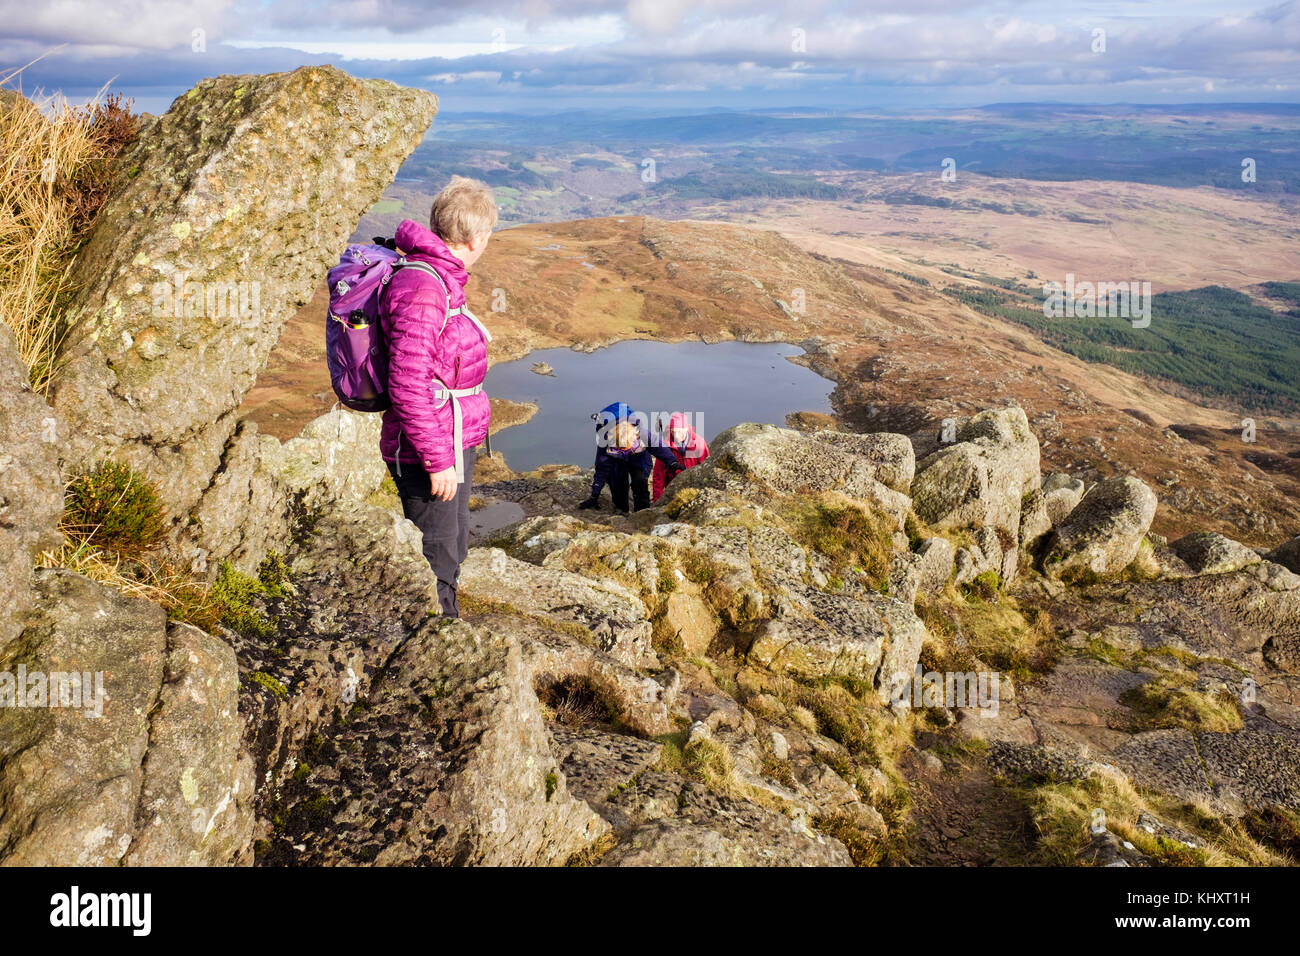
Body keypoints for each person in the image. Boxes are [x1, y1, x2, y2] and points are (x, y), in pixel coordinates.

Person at [379, 176, 497, 618]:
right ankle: (434, 638)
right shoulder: (424, 288)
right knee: (437, 553)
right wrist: (436, 459)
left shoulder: (441, 279)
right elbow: (408, 381)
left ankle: (446, 621)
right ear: (475, 237)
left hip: (450, 440)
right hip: (426, 451)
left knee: (455, 543)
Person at [578, 402, 681, 513]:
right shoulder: (605, 445)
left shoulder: (642, 435)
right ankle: (622, 511)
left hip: (638, 459)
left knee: (640, 482)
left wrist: (672, 462)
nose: (626, 450)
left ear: (635, 436)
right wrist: (594, 495)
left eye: (628, 446)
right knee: (618, 485)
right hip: (616, 462)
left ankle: (643, 512)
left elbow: (658, 446)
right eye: (622, 448)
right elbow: (601, 469)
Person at [651, 412, 710, 503]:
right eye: (674, 432)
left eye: (679, 431)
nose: (676, 436)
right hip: (672, 491)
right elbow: (658, 476)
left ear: (686, 429)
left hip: (694, 488)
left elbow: (707, 469)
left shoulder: (699, 444)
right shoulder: (665, 446)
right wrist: (657, 502)